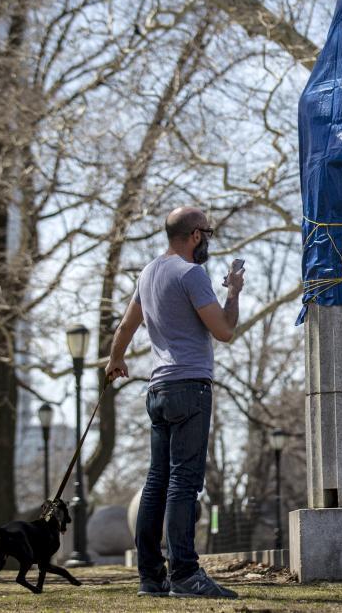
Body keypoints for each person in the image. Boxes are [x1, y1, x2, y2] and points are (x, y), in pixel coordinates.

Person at [105, 206, 244, 599]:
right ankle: (185, 573)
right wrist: (232, 292)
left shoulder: (147, 273)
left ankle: (151, 576)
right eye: (208, 235)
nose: (209, 243)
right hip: (190, 389)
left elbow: (126, 327)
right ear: (196, 235)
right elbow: (224, 331)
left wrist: (115, 359)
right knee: (184, 483)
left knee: (156, 482)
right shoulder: (191, 274)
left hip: (157, 390)